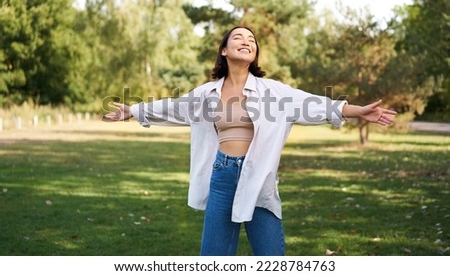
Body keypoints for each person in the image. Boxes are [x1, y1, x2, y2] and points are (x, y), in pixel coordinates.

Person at [104, 26, 397, 256]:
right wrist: (133, 111)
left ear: (255, 53)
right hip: (221, 176)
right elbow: (173, 107)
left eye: (252, 40)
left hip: (258, 178)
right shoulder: (207, 93)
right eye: (239, 38)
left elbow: (316, 105)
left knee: (270, 259)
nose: (247, 42)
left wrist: (359, 111)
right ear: (224, 49)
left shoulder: (274, 92)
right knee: (214, 260)